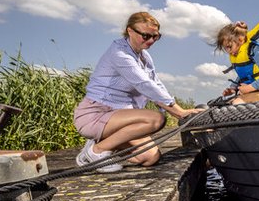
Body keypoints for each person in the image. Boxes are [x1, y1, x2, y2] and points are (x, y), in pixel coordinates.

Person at [73, 11, 203, 173]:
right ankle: (97, 151)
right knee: (155, 120)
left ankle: (98, 145)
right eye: (146, 36)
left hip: (120, 116)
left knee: (150, 157)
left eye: (155, 37)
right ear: (130, 31)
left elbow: (156, 84)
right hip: (95, 114)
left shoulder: (144, 57)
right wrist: (178, 112)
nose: (151, 41)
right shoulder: (119, 53)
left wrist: (181, 111)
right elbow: (145, 85)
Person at [215, 20, 259, 104]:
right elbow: (245, 75)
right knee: (226, 103)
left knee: (236, 103)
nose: (228, 51)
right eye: (225, 48)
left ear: (241, 39)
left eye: (229, 46)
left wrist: (249, 88)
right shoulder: (239, 55)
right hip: (257, 90)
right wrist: (233, 88)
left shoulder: (256, 51)